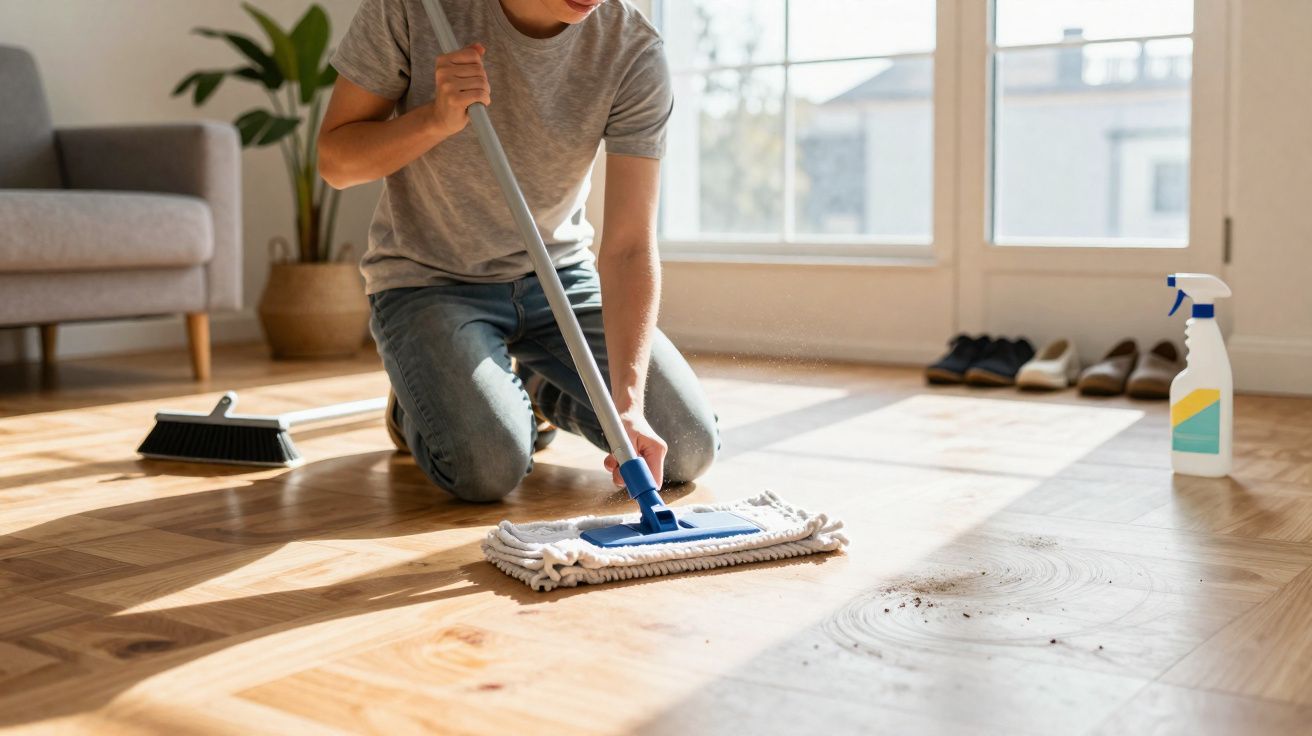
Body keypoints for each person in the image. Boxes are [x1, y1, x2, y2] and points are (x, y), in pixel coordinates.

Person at [318, 0, 718, 502]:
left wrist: (630, 402)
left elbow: (629, 247)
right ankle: (416, 403)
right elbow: (335, 163)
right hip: (430, 281)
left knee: (685, 447)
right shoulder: (414, 8)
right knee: (488, 466)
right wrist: (434, 120)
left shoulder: (631, 48)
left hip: (558, 278)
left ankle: (535, 385)